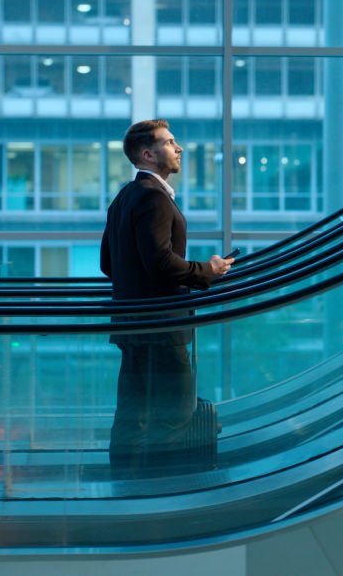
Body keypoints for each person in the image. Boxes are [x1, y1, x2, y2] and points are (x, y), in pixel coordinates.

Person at [100, 119, 233, 478]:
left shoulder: (124, 197)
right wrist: (207, 270)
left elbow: (108, 263)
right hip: (161, 327)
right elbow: (159, 262)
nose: (179, 148)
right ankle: (159, 485)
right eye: (170, 142)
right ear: (148, 154)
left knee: (132, 413)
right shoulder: (154, 198)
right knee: (174, 413)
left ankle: (125, 484)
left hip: (133, 326)